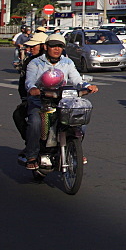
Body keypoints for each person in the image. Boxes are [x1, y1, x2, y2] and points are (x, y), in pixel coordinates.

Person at [19, 33, 98, 169]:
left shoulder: (67, 62)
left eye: (60, 46)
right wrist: (33, 89)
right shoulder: (35, 63)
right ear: (46, 47)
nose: (56, 49)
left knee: (80, 122)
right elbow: (29, 81)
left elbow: (77, 80)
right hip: (40, 102)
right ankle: (32, 155)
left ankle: (74, 150)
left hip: (63, 102)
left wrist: (87, 86)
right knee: (35, 122)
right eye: (53, 46)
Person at [13, 31, 49, 136]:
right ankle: (29, 142)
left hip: (58, 99)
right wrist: (25, 99)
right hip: (37, 99)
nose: (30, 49)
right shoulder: (30, 62)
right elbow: (23, 83)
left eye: (34, 46)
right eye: (30, 46)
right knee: (18, 115)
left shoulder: (62, 61)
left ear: (44, 46)